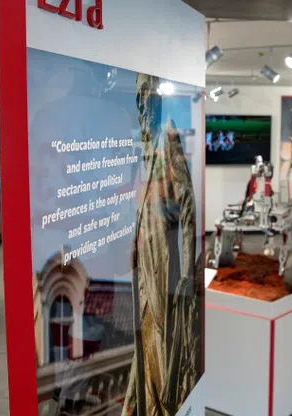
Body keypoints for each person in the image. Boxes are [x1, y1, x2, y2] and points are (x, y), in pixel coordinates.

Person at [123, 73, 202, 416]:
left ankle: (159, 406)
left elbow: (187, 205)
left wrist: (187, 268)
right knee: (146, 332)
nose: (142, 103)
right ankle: (145, 403)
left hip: (164, 258)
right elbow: (146, 201)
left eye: (146, 95)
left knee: (161, 333)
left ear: (156, 98)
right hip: (146, 257)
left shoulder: (167, 134)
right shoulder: (143, 142)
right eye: (138, 97)